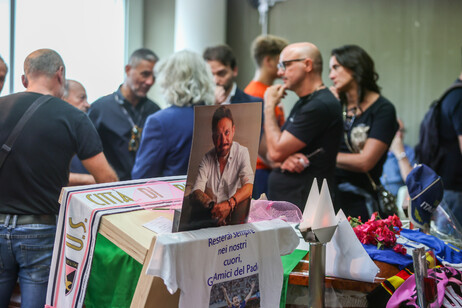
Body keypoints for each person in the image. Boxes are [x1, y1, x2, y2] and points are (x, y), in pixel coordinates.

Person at [0, 49, 118, 308]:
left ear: (23, 79)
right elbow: (107, 179)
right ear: (60, 74)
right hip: (39, 230)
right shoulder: (73, 117)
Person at [264, 42, 343, 210]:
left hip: (305, 205)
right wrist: (284, 158)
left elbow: (275, 151)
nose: (280, 73)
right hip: (294, 199)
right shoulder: (306, 102)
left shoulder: (320, 105)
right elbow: (277, 153)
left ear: (307, 65)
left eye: (285, 65)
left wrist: (269, 106)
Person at [330, 44, 398, 219]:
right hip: (329, 194)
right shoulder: (335, 104)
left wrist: (324, 158)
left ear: (354, 67)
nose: (331, 75)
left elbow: (365, 161)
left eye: (336, 67)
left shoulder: (383, 109)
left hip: (360, 200)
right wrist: (327, 104)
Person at [132, 50, 215, 179]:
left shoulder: (160, 122)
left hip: (173, 197)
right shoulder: (222, 117)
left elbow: (142, 177)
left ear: (168, 80)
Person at [88, 48, 161, 181]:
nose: (150, 81)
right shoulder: (100, 109)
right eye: (145, 74)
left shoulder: (155, 111)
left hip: (146, 189)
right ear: (128, 70)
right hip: (110, 188)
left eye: (154, 77)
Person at [190, 106, 254, 226]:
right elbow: (196, 190)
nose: (223, 140)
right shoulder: (207, 158)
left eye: (227, 133)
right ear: (213, 137)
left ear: (233, 130)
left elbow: (249, 185)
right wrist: (215, 208)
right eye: (218, 135)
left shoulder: (242, 152)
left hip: (232, 216)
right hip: (209, 214)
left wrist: (229, 204)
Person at [244, 34, 288, 199]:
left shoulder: (266, 92)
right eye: (282, 62)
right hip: (261, 170)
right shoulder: (255, 94)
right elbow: (258, 139)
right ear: (269, 61)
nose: (285, 68)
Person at [435, 71, 462, 226]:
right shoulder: (459, 97)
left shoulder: (451, 94)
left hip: (448, 189)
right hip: (455, 192)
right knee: (454, 247)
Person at [62, 79, 96, 185]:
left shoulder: (83, 132)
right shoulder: (51, 132)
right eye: (82, 98)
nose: (87, 105)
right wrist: (89, 180)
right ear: (63, 99)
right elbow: (47, 177)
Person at [380, 118, 416, 196]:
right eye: (396, 130)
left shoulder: (409, 151)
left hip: (399, 198)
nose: (399, 135)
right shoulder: (378, 150)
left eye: (402, 130)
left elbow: (412, 182)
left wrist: (400, 153)